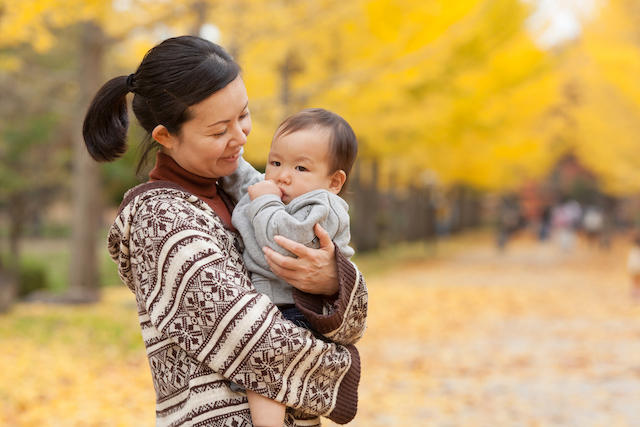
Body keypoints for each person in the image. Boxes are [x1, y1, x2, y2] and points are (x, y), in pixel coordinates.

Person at [82, 36, 368, 427]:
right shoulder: (159, 219)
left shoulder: (245, 193)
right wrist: (344, 368)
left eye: (244, 114)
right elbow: (250, 339)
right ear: (165, 136)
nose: (242, 136)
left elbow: (354, 320)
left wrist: (333, 277)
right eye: (219, 130)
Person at [226, 108, 357, 427]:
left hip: (294, 310)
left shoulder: (324, 206)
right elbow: (244, 178)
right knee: (271, 380)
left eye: (300, 167)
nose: (282, 175)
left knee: (265, 373)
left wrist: (265, 201)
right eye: (275, 162)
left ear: (333, 181)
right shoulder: (280, 193)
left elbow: (283, 237)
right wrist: (233, 152)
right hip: (274, 305)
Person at [627, 231, 640, 301]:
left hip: (633, 268)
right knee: (637, 281)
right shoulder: (635, 250)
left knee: (635, 281)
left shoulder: (633, 250)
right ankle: (636, 293)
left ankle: (634, 293)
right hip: (636, 268)